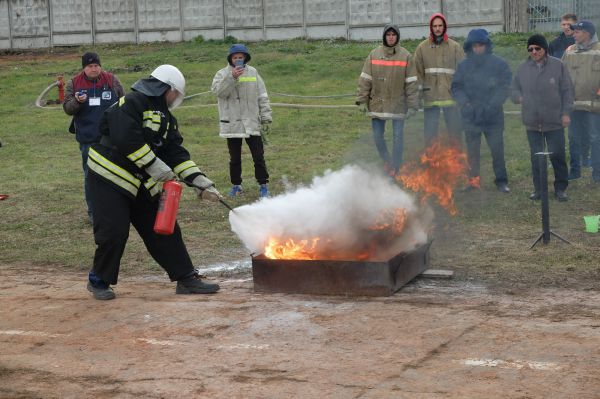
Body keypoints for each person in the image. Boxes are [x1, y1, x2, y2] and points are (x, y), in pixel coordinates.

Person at [86, 65, 222, 300]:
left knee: (164, 228)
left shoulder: (168, 121)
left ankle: (185, 278)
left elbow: (175, 153)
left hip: (141, 181)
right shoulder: (132, 102)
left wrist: (199, 180)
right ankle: (98, 280)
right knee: (113, 231)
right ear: (167, 89)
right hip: (109, 176)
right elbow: (125, 137)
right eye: (176, 93)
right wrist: (154, 165)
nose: (176, 98)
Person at [63, 52, 125, 224]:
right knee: (91, 176)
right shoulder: (74, 83)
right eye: (90, 66)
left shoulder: (112, 80)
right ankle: (94, 212)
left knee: (114, 174)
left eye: (96, 65)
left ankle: (115, 209)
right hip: (87, 139)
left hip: (111, 138)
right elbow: (67, 108)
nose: (94, 69)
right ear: (84, 68)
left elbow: (124, 103)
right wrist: (77, 101)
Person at [512, 34, 574, 202]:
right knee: (536, 158)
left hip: (554, 121)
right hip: (532, 122)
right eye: (530, 49)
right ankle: (539, 190)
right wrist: (518, 97)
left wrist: (566, 113)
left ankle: (561, 188)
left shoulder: (558, 65)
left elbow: (567, 91)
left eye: (537, 48)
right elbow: (514, 89)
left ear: (544, 49)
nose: (534, 51)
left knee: (558, 156)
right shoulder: (523, 68)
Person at [451, 29, 512, 193]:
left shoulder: (499, 64)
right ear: (469, 47)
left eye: (481, 45)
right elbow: (456, 87)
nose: (478, 49)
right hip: (471, 116)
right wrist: (465, 104)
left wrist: (493, 105)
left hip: (493, 116)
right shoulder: (463, 66)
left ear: (487, 46)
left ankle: (501, 181)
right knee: (472, 152)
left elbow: (505, 86)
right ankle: (473, 181)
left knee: (497, 150)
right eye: (474, 46)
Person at [356, 24, 419, 176]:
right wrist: (362, 100)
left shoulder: (406, 56)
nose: (391, 37)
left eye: (394, 34)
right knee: (378, 137)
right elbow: (365, 79)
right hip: (378, 104)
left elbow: (411, 83)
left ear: (397, 37)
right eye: (388, 34)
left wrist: (412, 105)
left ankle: (396, 168)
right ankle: (387, 161)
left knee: (398, 138)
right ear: (384, 36)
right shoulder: (374, 55)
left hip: (398, 105)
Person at [212, 44, 272, 198]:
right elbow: (219, 93)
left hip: (251, 121)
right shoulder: (221, 74)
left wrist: (265, 116)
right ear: (230, 59)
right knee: (235, 158)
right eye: (235, 57)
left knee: (258, 156)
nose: (238, 60)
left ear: (245, 57)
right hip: (232, 124)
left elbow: (262, 95)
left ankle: (263, 185)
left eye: (241, 57)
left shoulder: (253, 72)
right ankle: (236, 185)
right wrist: (231, 77)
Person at [413, 13, 464, 146]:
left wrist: (462, 97)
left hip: (451, 99)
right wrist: (416, 98)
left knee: (455, 134)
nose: (437, 29)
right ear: (431, 28)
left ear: (444, 27)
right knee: (430, 136)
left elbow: (463, 74)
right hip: (430, 100)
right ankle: (431, 163)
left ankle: (457, 162)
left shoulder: (455, 47)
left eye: (440, 25)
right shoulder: (421, 48)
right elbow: (417, 75)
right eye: (435, 26)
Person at [562, 21, 600, 182]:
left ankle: (597, 173)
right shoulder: (569, 51)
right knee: (573, 138)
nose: (574, 34)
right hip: (573, 104)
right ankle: (575, 171)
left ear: (587, 34)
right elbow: (561, 74)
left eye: (577, 32)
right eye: (574, 31)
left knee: (594, 138)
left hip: (594, 105)